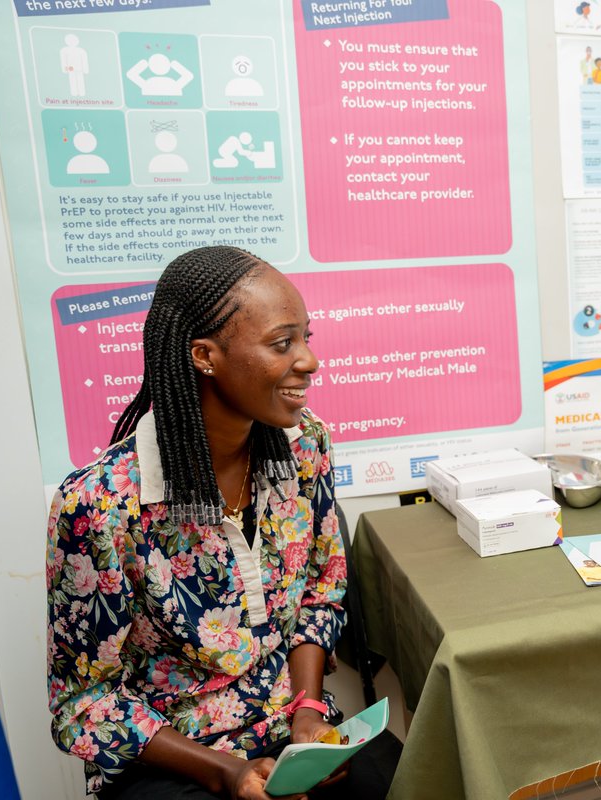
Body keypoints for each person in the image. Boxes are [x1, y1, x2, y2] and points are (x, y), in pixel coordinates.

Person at [46, 246, 401, 799]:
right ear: (205, 356)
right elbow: (83, 703)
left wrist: (308, 712)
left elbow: (321, 594)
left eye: (307, 338)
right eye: (283, 343)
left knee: (402, 780)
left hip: (290, 727)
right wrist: (226, 771)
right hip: (174, 756)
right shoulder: (100, 504)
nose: (308, 360)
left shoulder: (304, 447)